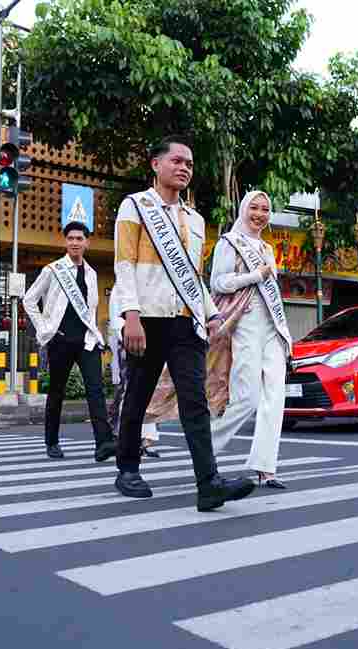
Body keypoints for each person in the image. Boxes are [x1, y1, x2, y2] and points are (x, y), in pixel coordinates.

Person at [113, 135, 255, 510]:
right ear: (156, 164)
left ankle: (208, 484)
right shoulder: (135, 207)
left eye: (189, 164)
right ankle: (127, 468)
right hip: (147, 319)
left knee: (195, 401)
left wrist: (210, 313)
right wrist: (130, 317)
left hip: (184, 323)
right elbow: (124, 264)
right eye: (176, 161)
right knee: (139, 397)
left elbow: (192, 275)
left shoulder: (195, 220)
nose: (184, 168)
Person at [208, 190, 293, 487]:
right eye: (254, 208)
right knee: (247, 397)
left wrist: (286, 333)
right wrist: (255, 275)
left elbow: (274, 291)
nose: (259, 214)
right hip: (244, 323)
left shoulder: (268, 247)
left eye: (265, 209)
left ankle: (266, 466)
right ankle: (206, 449)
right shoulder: (228, 243)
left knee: (275, 397)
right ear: (244, 209)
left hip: (272, 327)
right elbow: (217, 282)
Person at [23, 221, 116, 462]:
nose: (75, 242)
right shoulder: (53, 270)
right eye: (71, 238)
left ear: (87, 242)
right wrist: (45, 328)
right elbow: (29, 300)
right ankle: (52, 441)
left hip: (86, 340)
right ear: (66, 241)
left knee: (96, 390)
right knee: (57, 392)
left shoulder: (93, 274)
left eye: (79, 238)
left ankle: (104, 443)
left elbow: (91, 308)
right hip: (61, 340)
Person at [107, 285, 161, 457]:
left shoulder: (148, 284)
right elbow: (116, 322)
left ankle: (147, 438)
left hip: (150, 340)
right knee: (129, 391)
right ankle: (124, 437)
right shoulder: (121, 288)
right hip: (128, 342)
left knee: (149, 391)